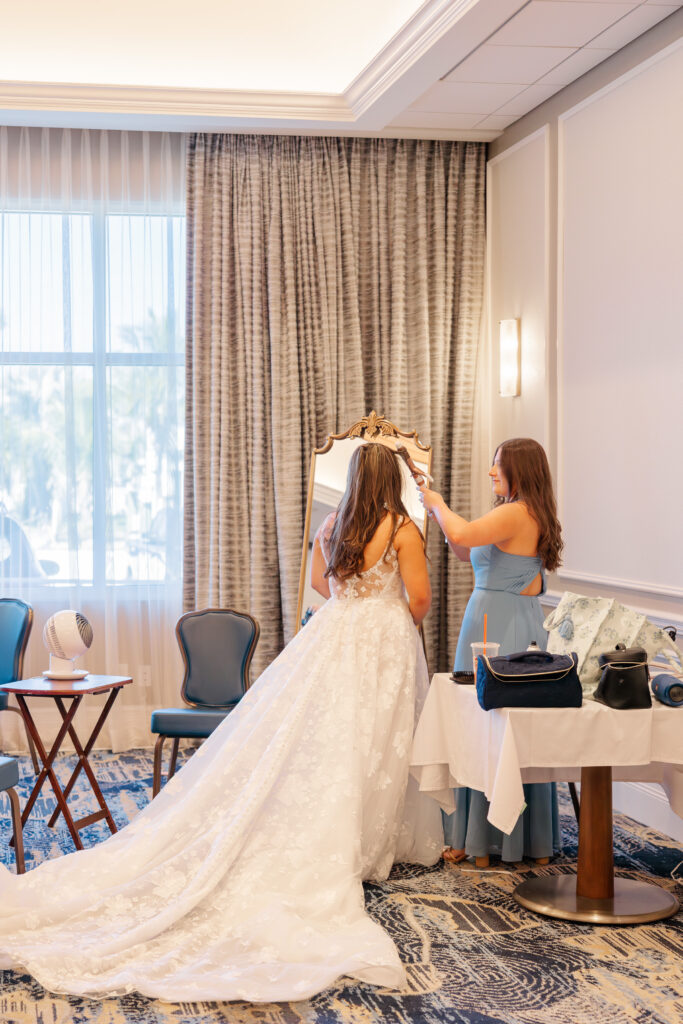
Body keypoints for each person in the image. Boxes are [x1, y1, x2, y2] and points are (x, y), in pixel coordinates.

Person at [0, 442, 443, 1002]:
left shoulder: (335, 522)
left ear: (357, 476)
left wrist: (354, 605)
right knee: (376, 740)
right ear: (393, 479)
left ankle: (340, 836)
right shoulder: (402, 527)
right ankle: (366, 846)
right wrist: (385, 615)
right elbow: (422, 599)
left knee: (321, 741)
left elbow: (321, 585)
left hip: (335, 632)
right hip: (382, 638)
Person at [419, 437, 563, 865]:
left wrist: (439, 501)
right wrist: (436, 513)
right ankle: (504, 838)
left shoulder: (516, 512)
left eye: (497, 464)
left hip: (503, 623)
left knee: (497, 724)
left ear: (521, 469)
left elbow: (462, 532)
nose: (490, 472)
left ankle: (485, 839)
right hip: (493, 615)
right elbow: (466, 549)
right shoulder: (516, 511)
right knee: (485, 724)